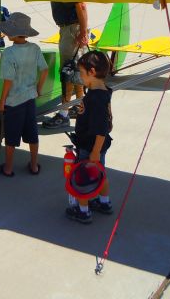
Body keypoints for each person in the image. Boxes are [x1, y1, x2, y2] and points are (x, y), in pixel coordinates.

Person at [0, 12, 48, 177]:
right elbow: (44, 70)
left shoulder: (9, 53)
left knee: (11, 135)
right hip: (30, 97)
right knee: (32, 133)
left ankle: (8, 168)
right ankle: (33, 166)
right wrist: (38, 89)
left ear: (13, 34)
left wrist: (2, 101)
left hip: (14, 101)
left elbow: (8, 80)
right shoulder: (35, 48)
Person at [65, 50, 114, 224]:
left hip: (90, 145)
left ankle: (83, 210)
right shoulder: (104, 91)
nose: (81, 78)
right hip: (97, 144)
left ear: (92, 72)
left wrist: (94, 151)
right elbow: (108, 119)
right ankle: (104, 202)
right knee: (101, 173)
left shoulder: (95, 98)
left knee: (83, 178)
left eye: (82, 74)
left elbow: (101, 129)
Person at [43, 2, 88, 129]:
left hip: (71, 29)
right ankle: (80, 108)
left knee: (68, 71)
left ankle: (64, 114)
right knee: (75, 71)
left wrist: (83, 31)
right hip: (69, 28)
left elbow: (81, 5)